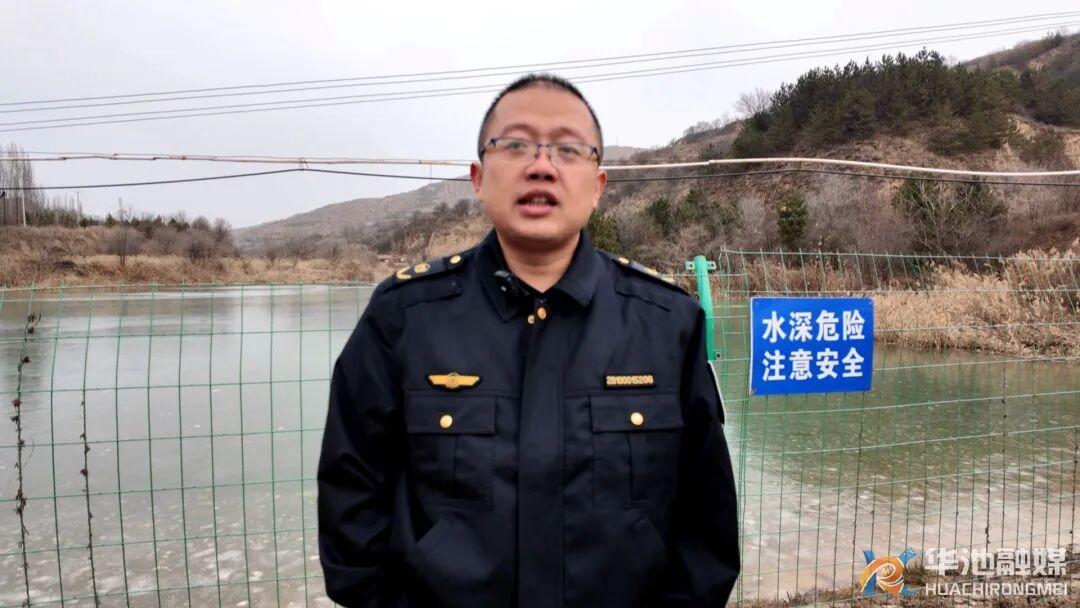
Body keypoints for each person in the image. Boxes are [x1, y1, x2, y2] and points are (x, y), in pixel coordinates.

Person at [318, 73, 740, 607]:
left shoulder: (666, 323)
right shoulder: (403, 318)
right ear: (478, 178)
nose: (541, 165)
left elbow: (707, 525)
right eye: (515, 145)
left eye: (568, 148)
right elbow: (351, 501)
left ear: (598, 186)